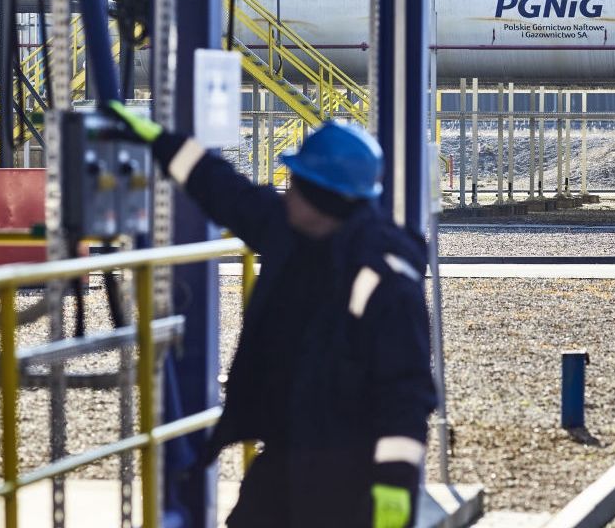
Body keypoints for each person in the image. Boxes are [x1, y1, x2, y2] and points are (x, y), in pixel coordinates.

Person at [108, 102, 438, 528]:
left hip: (349, 480)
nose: (288, 192)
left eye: (296, 183)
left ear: (323, 197)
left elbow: (406, 395)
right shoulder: (293, 230)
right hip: (287, 458)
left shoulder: (386, 279)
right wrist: (157, 141)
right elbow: (226, 191)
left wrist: (393, 499)